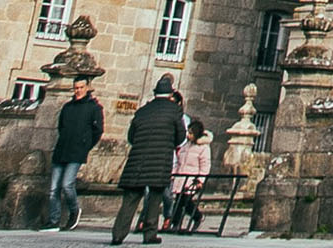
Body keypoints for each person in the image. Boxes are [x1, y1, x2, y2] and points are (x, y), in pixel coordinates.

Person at [111, 75, 188, 245]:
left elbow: (131, 136)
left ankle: (118, 234)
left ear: (155, 93)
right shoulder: (174, 111)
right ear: (170, 94)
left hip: (137, 160)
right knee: (155, 196)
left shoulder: (142, 111)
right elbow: (181, 137)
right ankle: (149, 233)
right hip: (160, 160)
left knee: (130, 198)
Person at [45, 79, 103, 230]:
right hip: (62, 150)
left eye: (81, 87)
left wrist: (85, 146)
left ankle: (74, 211)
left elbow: (98, 131)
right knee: (53, 189)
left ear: (87, 88)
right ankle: (53, 220)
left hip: (77, 152)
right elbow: (61, 127)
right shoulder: (67, 107)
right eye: (76, 88)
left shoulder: (94, 108)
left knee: (67, 185)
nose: (78, 90)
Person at [167, 119, 212, 234]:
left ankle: (198, 217)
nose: (188, 135)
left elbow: (205, 164)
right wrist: (174, 173)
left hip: (192, 178)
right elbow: (179, 161)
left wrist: (201, 179)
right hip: (180, 177)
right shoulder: (186, 146)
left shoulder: (203, 148)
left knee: (187, 201)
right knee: (178, 201)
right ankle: (175, 223)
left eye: (191, 133)